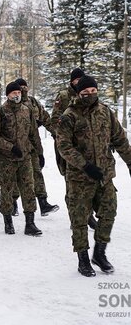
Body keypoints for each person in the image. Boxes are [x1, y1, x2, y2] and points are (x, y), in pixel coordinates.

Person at [56, 75, 131, 277]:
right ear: (78, 93)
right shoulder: (69, 116)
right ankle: (82, 259)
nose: (90, 95)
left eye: (93, 91)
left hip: (104, 175)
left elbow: (120, 139)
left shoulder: (105, 112)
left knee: (109, 212)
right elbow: (63, 146)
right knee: (79, 219)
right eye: (86, 92)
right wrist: (85, 166)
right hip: (80, 179)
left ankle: (99, 253)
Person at [0, 82, 42, 236]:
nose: (16, 95)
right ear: (8, 95)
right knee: (7, 190)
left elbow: (33, 133)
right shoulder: (1, 112)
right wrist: (10, 147)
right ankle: (8, 221)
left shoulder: (27, 110)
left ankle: (30, 223)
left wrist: (39, 152)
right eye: (13, 93)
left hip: (24, 157)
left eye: (18, 92)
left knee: (28, 189)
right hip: (7, 160)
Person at [51, 68, 97, 230]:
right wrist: (62, 136)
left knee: (89, 182)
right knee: (72, 183)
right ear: (72, 81)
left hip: (87, 148)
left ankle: (88, 214)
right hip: (67, 147)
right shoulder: (63, 96)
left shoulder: (89, 95)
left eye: (81, 79)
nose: (79, 82)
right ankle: (76, 216)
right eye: (76, 80)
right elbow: (54, 119)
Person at [14, 78, 59, 216]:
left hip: (33, 146)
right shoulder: (13, 104)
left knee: (37, 173)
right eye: (20, 87)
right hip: (16, 148)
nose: (23, 89)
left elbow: (46, 119)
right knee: (16, 176)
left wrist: (57, 134)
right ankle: (13, 202)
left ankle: (43, 203)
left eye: (25, 86)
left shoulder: (34, 103)